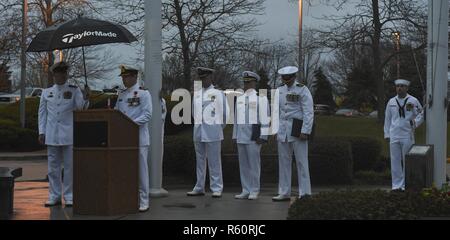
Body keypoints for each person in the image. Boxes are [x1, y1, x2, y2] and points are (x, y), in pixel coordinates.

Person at [38, 61, 90, 207]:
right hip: (52, 135)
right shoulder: (46, 92)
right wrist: (42, 131)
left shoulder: (74, 90)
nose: (62, 75)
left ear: (66, 74)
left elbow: (81, 109)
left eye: (64, 72)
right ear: (54, 74)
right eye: (59, 72)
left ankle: (69, 196)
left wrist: (86, 98)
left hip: (68, 134)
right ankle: (54, 195)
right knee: (52, 168)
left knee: (69, 167)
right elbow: (42, 114)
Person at [273, 66, 314, 201]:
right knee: (284, 162)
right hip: (283, 130)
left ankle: (305, 192)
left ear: (294, 77)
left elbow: (308, 112)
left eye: (288, 78)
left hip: (297, 129)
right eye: (284, 78)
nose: (286, 81)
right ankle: (284, 192)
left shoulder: (302, 89)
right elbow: (276, 112)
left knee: (302, 161)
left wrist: (305, 131)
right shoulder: (279, 91)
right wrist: (275, 129)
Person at [114, 65, 152, 212]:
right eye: (122, 77)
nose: (123, 79)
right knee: (125, 170)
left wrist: (130, 125)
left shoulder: (143, 94)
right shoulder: (122, 94)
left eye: (126, 77)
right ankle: (127, 198)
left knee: (141, 171)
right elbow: (117, 113)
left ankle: (144, 200)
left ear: (134, 77)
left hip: (139, 138)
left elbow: (147, 114)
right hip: (124, 140)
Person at [187, 67, 229, 198]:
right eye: (201, 78)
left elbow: (225, 114)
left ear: (211, 77)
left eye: (205, 77)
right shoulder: (197, 94)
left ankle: (216, 188)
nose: (203, 80)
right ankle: (199, 187)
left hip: (213, 132)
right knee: (200, 161)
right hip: (199, 131)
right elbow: (194, 113)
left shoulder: (218, 93)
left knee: (214, 161)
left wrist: (217, 128)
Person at [232, 71, 270, 200]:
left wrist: (263, 137)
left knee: (254, 165)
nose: (246, 85)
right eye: (245, 82)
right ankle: (245, 189)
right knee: (243, 165)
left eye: (248, 82)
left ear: (254, 83)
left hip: (254, 137)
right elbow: (236, 119)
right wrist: (235, 135)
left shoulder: (261, 98)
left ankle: (254, 190)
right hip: (241, 136)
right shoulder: (240, 99)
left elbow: (265, 119)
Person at [384, 79, 424, 191]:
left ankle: (406, 185)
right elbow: (387, 119)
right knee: (395, 161)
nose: (399, 88)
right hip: (394, 135)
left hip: (407, 134)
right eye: (397, 86)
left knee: (407, 160)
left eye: (402, 86)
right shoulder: (391, 102)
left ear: (407, 88)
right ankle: (396, 185)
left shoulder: (413, 100)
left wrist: (415, 123)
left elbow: (422, 113)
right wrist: (387, 134)